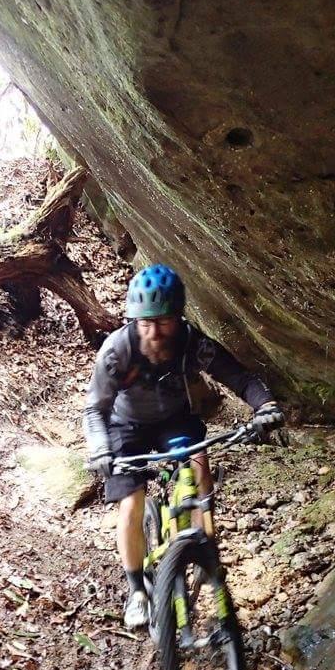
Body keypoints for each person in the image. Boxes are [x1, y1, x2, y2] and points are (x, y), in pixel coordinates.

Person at [83, 264, 285, 628]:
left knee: (199, 466)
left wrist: (265, 405)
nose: (153, 332)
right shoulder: (117, 351)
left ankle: (205, 549)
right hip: (126, 428)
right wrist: (100, 449)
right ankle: (138, 591)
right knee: (131, 503)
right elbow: (95, 409)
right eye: (144, 323)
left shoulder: (193, 344)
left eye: (162, 322)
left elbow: (239, 376)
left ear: (178, 317)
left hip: (174, 421)